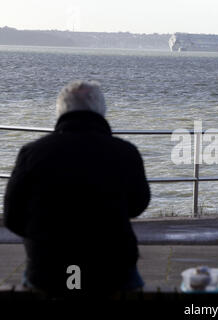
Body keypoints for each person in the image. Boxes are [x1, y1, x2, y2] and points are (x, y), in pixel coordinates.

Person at [4, 80, 151, 298]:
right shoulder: (125, 153)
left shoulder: (33, 153)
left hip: (48, 270)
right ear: (101, 110)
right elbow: (138, 204)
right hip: (112, 269)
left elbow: (12, 217)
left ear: (60, 110)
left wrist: (43, 236)